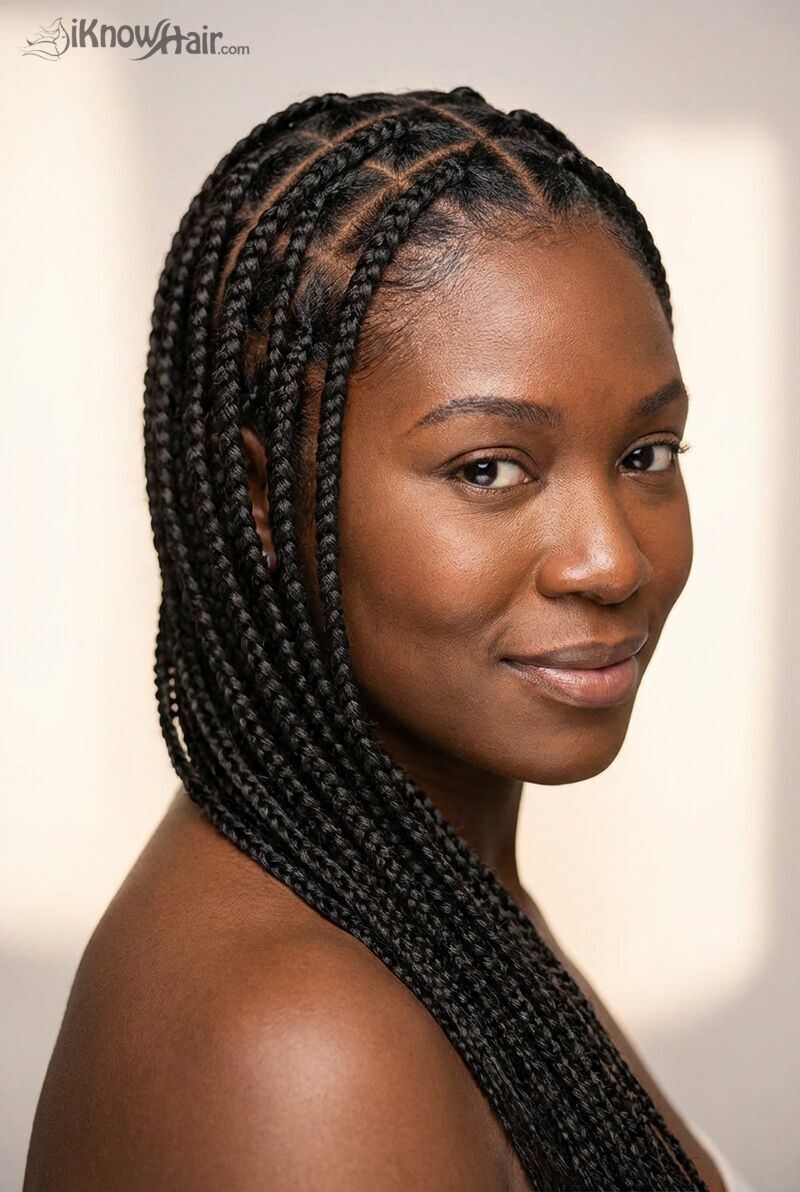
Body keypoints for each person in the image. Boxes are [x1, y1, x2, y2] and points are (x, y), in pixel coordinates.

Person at [24, 86, 746, 1191]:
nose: (610, 560)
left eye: (645, 453)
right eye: (488, 469)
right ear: (267, 501)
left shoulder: (417, 885)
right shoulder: (297, 1046)